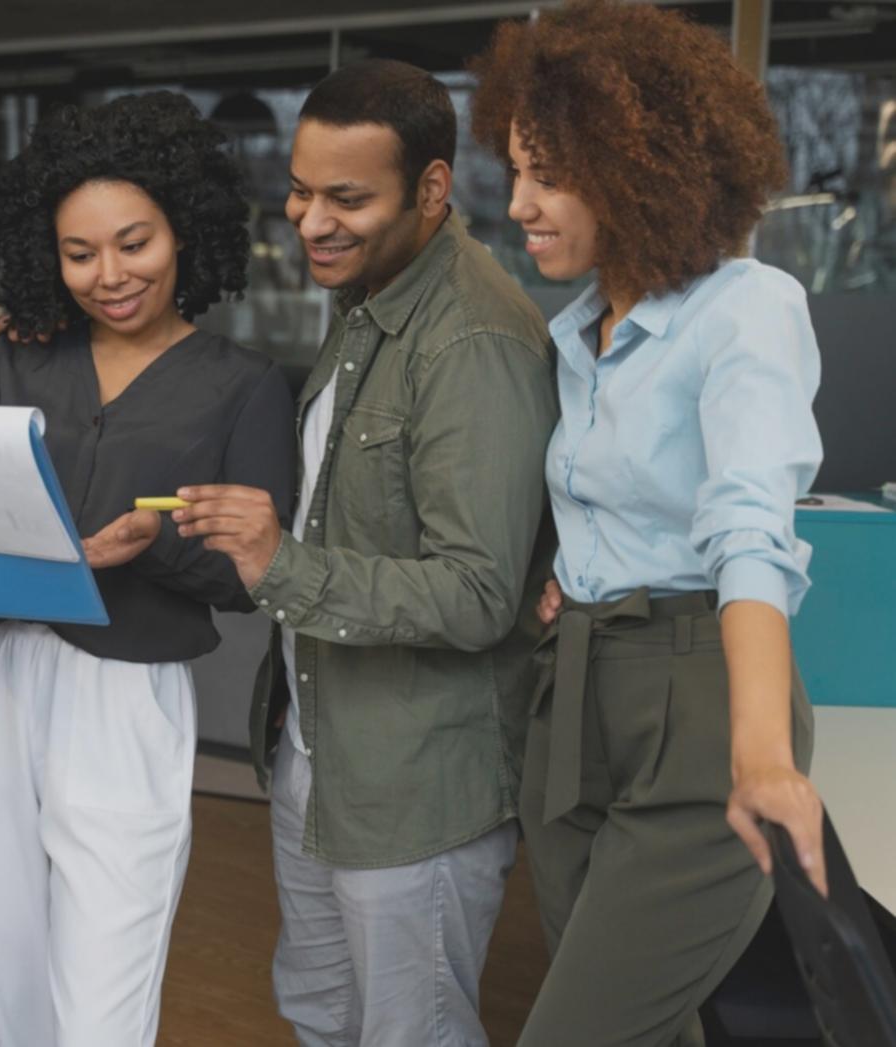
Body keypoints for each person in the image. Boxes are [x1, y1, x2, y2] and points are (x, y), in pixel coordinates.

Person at [0, 91, 296, 1046]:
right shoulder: (14, 365)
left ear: (183, 232)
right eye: (79, 253)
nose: (109, 275)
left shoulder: (244, 385)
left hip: (124, 695)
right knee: (7, 988)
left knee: (103, 999)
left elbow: (249, 577)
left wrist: (157, 546)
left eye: (134, 243)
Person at [174, 60, 557, 1046]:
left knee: (407, 1033)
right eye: (299, 191)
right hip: (321, 751)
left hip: (414, 787)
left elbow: (476, 593)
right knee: (320, 1011)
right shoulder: (365, 302)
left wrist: (281, 565)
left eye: (346, 198)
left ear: (431, 190)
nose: (309, 221)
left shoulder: (471, 342)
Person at [468, 3, 824, 1042]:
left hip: (698, 706)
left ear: (638, 168)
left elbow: (749, 530)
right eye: (515, 172)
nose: (520, 205)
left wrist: (759, 756)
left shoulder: (744, 307)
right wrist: (571, 576)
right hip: (572, 697)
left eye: (549, 175)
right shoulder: (577, 329)